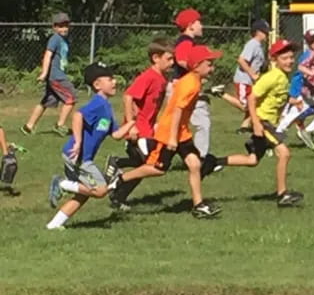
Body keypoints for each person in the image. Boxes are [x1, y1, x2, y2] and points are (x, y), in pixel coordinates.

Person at [109, 45, 224, 218]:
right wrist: (171, 138)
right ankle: (121, 179)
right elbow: (177, 109)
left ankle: (198, 206)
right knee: (157, 169)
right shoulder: (191, 83)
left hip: (182, 132)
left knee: (194, 164)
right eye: (209, 64)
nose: (212, 68)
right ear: (197, 65)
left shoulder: (192, 80)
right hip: (170, 131)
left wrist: (205, 93)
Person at [207, 40, 304, 207]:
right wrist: (256, 123)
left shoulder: (282, 77)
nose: (290, 61)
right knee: (284, 153)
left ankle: (213, 162)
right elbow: (252, 98)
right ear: (274, 59)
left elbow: (277, 95)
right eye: (285, 58)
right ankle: (282, 194)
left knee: (252, 160)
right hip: (263, 122)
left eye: (291, 57)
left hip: (268, 122)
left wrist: (292, 100)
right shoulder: (272, 77)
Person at [46, 63, 136, 229]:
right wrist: (78, 141)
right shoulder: (98, 104)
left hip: (79, 157)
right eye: (110, 79)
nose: (114, 82)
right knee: (101, 190)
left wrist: (132, 123)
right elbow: (78, 115)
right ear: (97, 85)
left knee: (83, 194)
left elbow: (116, 135)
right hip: (78, 157)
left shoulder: (107, 107)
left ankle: (53, 225)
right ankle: (61, 184)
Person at [106, 39, 175, 210]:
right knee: (152, 166)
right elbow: (128, 96)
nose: (172, 63)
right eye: (169, 59)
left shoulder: (162, 78)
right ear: (155, 58)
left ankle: (118, 178)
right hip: (140, 131)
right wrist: (132, 124)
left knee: (140, 167)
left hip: (149, 130)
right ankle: (118, 181)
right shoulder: (148, 77)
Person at [171, 8, 219, 157]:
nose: (202, 26)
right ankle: (201, 158)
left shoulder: (188, 41)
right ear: (190, 25)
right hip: (185, 86)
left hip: (184, 85)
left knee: (178, 122)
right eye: (199, 22)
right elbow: (181, 59)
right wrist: (197, 70)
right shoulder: (186, 41)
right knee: (202, 122)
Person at [22, 12, 77, 137]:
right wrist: (44, 73)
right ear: (55, 27)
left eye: (66, 26)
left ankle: (28, 126)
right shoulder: (55, 39)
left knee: (46, 101)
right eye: (61, 26)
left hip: (58, 74)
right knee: (71, 97)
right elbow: (47, 55)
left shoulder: (63, 40)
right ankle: (60, 125)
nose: (64, 28)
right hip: (56, 76)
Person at [220, 19, 270, 132]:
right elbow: (242, 60)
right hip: (244, 80)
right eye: (265, 32)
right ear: (258, 32)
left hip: (250, 81)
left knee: (255, 103)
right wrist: (252, 74)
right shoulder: (252, 44)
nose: (267, 35)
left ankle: (244, 127)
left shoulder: (259, 46)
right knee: (246, 106)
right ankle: (220, 93)